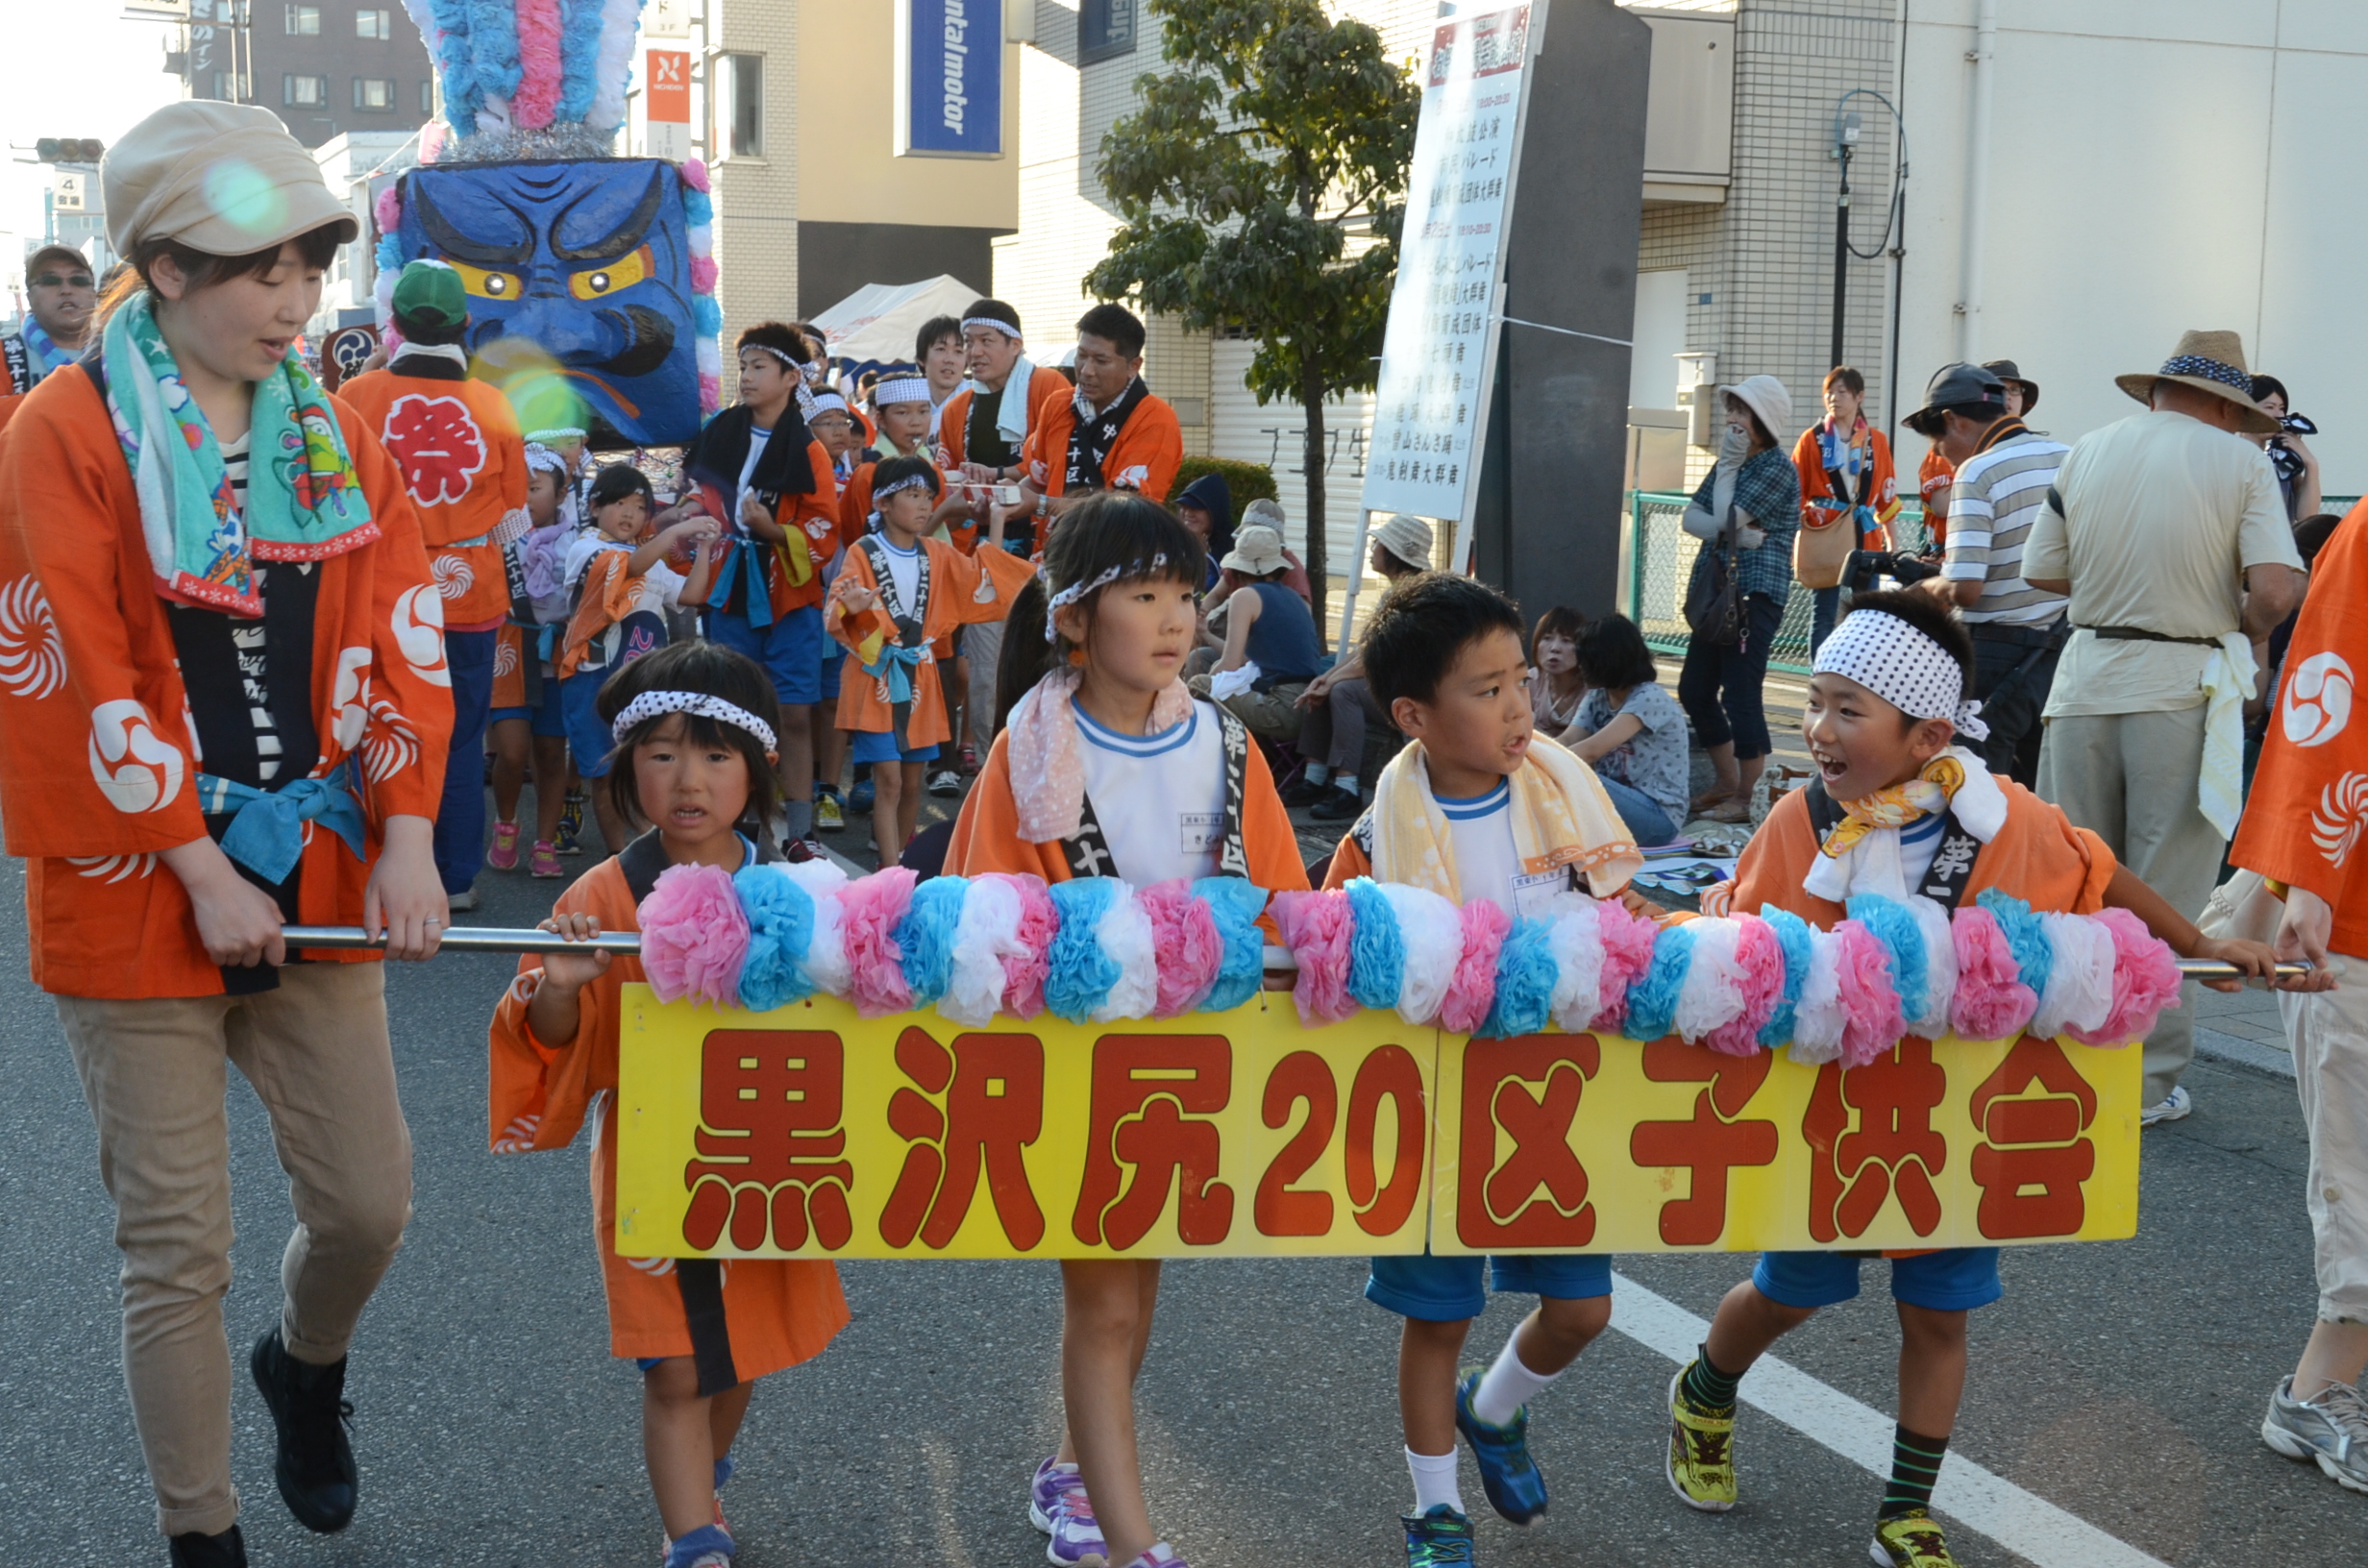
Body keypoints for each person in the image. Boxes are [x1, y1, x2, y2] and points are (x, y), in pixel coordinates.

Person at [0, 100, 453, 1568]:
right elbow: (75, 669)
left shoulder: (338, 427)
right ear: (165, 270)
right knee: (176, 1249)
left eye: (310, 264)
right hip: (133, 875)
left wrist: (408, 833)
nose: (295, 297)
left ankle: (304, 1368)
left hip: (318, 860)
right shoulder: (63, 430)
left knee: (370, 1203)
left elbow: (403, 631)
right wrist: (196, 863)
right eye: (262, 266)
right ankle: (203, 1536)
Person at [1671, 590, 2295, 1568]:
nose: (1818, 728)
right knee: (1787, 1294)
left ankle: (1906, 1511)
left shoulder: (2004, 820)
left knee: (1938, 1315)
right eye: (1815, 702)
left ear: (1928, 735)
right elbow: (1751, 948)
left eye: (1847, 709)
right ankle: (1705, 1390)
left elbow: (2098, 872)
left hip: (1954, 1118)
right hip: (1829, 1117)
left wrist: (2200, 941)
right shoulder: (1802, 819)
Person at [947, 493, 1307, 1568]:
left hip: (1191, 1064)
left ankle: (1072, 1467)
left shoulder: (1225, 742)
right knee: (1105, 1299)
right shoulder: (1031, 749)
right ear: (1072, 617)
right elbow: (980, 919)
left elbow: (1286, 901)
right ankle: (1124, 1537)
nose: (1174, 619)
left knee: (1137, 1285)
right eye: (1143, 595)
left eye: (1185, 594)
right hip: (1076, 1062)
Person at [489, 641, 851, 1568]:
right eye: (661, 755)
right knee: (679, 1362)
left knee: (742, 1349)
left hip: (771, 1147)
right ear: (627, 768)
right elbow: (555, 1037)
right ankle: (693, 1533)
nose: (688, 780)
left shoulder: (800, 883)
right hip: (657, 1158)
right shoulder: (602, 894)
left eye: (715, 755)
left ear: (759, 765)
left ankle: (703, 1467)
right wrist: (562, 985)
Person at [1318, 574, 1640, 1568]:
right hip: (1430, 1110)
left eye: (1520, 682)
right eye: (1487, 689)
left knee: (1582, 1310)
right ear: (1413, 715)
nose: (1517, 708)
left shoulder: (1564, 794)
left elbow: (1622, 918)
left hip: (1552, 1103)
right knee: (1438, 1315)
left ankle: (1493, 1409)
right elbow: (1336, 964)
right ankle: (1434, 1510)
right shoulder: (1375, 841)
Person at [2023, 329, 2307, 1125]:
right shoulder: (2241, 462)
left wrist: (2119, 582)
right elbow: (2276, 590)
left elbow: (2041, 568)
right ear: (2225, 407)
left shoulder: (2087, 450)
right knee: (2167, 891)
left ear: (2156, 392)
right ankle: (2142, 1085)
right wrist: (2240, 622)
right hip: (2182, 683)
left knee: (2074, 878)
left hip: (2083, 677)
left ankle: (2057, 1056)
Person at [2231, 504, 2368, 1497]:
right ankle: (2317, 1393)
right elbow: (2329, 687)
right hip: (2352, 903)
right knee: (2358, 1161)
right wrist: (2308, 882)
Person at [335, 258, 530, 911]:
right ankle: (453, 877)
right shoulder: (495, 404)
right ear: (465, 322)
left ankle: (372, 866)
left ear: (393, 322)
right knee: (461, 736)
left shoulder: (355, 397)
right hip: (469, 592)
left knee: (372, 725)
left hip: (381, 591)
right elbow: (514, 517)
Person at [681, 323, 844, 858]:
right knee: (734, 709)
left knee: (794, 712)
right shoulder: (721, 431)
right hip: (731, 587)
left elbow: (824, 527)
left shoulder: (810, 450)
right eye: (743, 367)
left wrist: (773, 530)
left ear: (791, 377)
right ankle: (743, 821)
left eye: (758, 367)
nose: (746, 377)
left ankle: (799, 829)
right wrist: (687, 514)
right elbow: (701, 493)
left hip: (790, 596)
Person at [825, 456, 1034, 865]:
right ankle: (889, 872)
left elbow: (981, 578)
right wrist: (852, 609)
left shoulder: (937, 552)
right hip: (876, 676)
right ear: (883, 503)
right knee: (888, 780)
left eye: (928, 496)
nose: (923, 505)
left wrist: (996, 520)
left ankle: (900, 856)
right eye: (912, 495)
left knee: (911, 783)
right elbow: (838, 610)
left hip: (920, 676)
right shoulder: (863, 552)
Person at [1904, 362, 2069, 788]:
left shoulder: (1978, 471)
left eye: (1938, 443)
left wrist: (1925, 588)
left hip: (1994, 654)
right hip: (2062, 650)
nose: (1941, 454)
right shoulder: (2067, 457)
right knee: (2038, 790)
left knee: (1975, 788)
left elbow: (1965, 588)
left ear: (1952, 420)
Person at [936, 301, 1074, 770]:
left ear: (1016, 345)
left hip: (1046, 549)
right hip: (984, 551)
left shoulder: (1049, 388)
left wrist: (998, 475)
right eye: (968, 342)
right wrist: (971, 492)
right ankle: (990, 766)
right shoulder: (958, 408)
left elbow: (1051, 465)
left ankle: (1046, 766)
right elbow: (949, 482)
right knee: (987, 668)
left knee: (1048, 662)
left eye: (985, 341)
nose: (974, 352)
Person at [558, 464, 718, 851]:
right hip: (593, 676)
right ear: (594, 507)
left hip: (645, 681)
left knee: (650, 766)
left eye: (640, 506)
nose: (630, 514)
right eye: (620, 503)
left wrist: (703, 548)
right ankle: (618, 855)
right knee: (605, 771)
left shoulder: (650, 557)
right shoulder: (586, 548)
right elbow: (626, 568)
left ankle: (650, 851)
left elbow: (691, 595)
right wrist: (674, 532)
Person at [1678, 375, 1800, 823]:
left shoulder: (1776, 467)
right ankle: (1727, 782)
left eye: (1742, 411)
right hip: (1719, 595)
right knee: (1694, 689)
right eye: (1731, 408)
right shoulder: (1730, 461)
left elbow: (1727, 514)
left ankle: (1749, 796)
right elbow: (1693, 518)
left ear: (1763, 421)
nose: (1732, 418)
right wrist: (1728, 530)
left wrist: (1726, 519)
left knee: (1741, 693)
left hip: (1755, 593)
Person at [1283, 512, 1434, 820]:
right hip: (1387, 687)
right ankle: (1315, 779)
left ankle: (1347, 787)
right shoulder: (1396, 591)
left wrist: (1331, 682)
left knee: (1344, 691)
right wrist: (1325, 678)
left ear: (1394, 552)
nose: (1372, 548)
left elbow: (1373, 658)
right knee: (1325, 684)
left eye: (1378, 543)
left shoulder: (1413, 595)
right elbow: (1363, 649)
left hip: (1409, 695)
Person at [485, 445, 580, 877]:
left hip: (557, 649)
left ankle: (545, 842)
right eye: (518, 488)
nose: (524, 498)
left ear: (560, 495)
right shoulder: (497, 535)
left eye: (535, 488)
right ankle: (506, 823)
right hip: (509, 646)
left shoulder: (578, 542)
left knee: (551, 752)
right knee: (511, 751)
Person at [1020, 302, 1186, 513]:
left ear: (1134, 366)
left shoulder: (1155, 419)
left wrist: (1041, 504)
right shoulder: (1057, 404)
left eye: (1101, 360)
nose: (1086, 371)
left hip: (1111, 536)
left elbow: (1123, 508)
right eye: (1081, 355)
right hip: (1052, 535)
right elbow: (1039, 478)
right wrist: (1004, 498)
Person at [1556, 613, 1689, 846]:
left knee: (1576, 776)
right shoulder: (1598, 696)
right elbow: (1568, 740)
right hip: (1618, 808)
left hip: (1658, 819)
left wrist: (1541, 766)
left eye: (1587, 660)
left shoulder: (1648, 698)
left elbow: (1590, 751)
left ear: (1610, 660)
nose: (1580, 667)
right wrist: (1532, 755)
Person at [1188, 522, 1327, 742]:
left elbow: (1230, 663)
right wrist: (1205, 633)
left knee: (1198, 684)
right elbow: (1246, 659)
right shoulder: (1292, 597)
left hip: (1279, 707)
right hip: (1306, 709)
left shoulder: (1245, 596)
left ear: (1239, 568)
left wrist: (1203, 685)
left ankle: (1197, 746)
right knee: (1205, 663)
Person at [1793, 367, 1900, 652]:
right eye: (1829, 392)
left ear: (1859, 397)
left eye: (1842, 392)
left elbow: (1886, 494)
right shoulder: (1811, 439)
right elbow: (1795, 490)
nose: (1834, 398)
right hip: (1826, 532)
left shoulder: (1876, 441)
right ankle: (1819, 673)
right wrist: (1801, 527)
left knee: (1870, 611)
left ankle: (1863, 670)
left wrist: (1893, 543)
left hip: (1866, 533)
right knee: (1824, 611)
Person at [3, 242, 97, 408]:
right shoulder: (3, 357)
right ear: (30, 298)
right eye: (50, 280)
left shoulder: (121, 352)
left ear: (94, 295)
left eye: (79, 280)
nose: (66, 289)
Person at [2250, 374, 2324, 521]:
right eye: (2270, 407)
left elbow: (2307, 516)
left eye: (2282, 408)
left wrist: (2311, 464)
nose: (2278, 415)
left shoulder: (2282, 462)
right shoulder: (2234, 458)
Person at [1528, 605, 1588, 733]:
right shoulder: (1530, 681)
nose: (1555, 648)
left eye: (1566, 640)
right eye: (1547, 638)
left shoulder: (1593, 689)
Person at [1172, 472, 1236, 588]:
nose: (1187, 513)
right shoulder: (1171, 543)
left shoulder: (1233, 549)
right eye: (1184, 507)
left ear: (1215, 511)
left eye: (1195, 508)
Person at [918, 312, 967, 442]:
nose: (949, 359)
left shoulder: (975, 402)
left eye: (958, 351)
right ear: (921, 359)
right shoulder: (909, 403)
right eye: (940, 349)